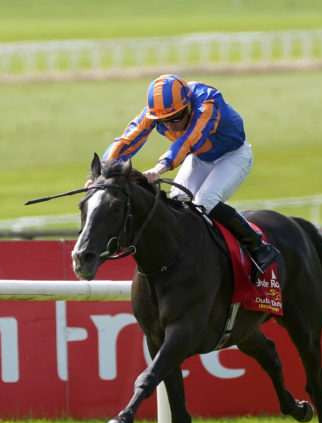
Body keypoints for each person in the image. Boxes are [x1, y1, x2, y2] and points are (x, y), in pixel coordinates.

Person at [100, 74, 280, 276]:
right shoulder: (154, 113)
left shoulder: (208, 102)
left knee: (206, 201)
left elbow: (187, 140)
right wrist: (102, 172)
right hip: (200, 158)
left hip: (233, 156)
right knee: (178, 203)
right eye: (164, 121)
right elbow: (127, 140)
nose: (171, 126)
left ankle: (259, 246)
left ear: (188, 106)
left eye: (176, 118)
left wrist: (159, 168)